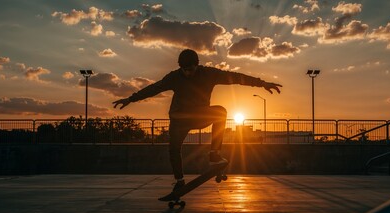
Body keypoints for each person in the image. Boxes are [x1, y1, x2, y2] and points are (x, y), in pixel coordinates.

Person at [113, 49, 282, 193]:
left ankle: (214, 154)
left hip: (199, 115)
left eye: (191, 70)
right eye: (184, 70)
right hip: (179, 118)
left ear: (197, 65)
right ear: (180, 67)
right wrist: (131, 99)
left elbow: (235, 77)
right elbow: (154, 88)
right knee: (173, 148)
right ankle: (179, 182)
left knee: (221, 112)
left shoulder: (209, 74)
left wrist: (261, 84)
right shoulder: (174, 77)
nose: (188, 73)